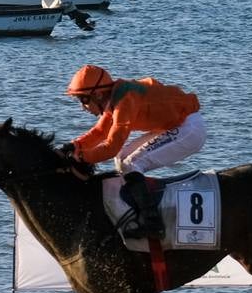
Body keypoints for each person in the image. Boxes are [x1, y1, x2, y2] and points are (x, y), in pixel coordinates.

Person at [60, 64, 206, 239]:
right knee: (122, 160)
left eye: (83, 100)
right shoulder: (114, 98)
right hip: (174, 125)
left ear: (98, 94)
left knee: (131, 163)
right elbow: (100, 132)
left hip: (189, 129)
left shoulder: (124, 103)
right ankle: (137, 209)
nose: (82, 107)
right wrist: (73, 146)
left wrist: (82, 157)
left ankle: (153, 223)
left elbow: (111, 147)